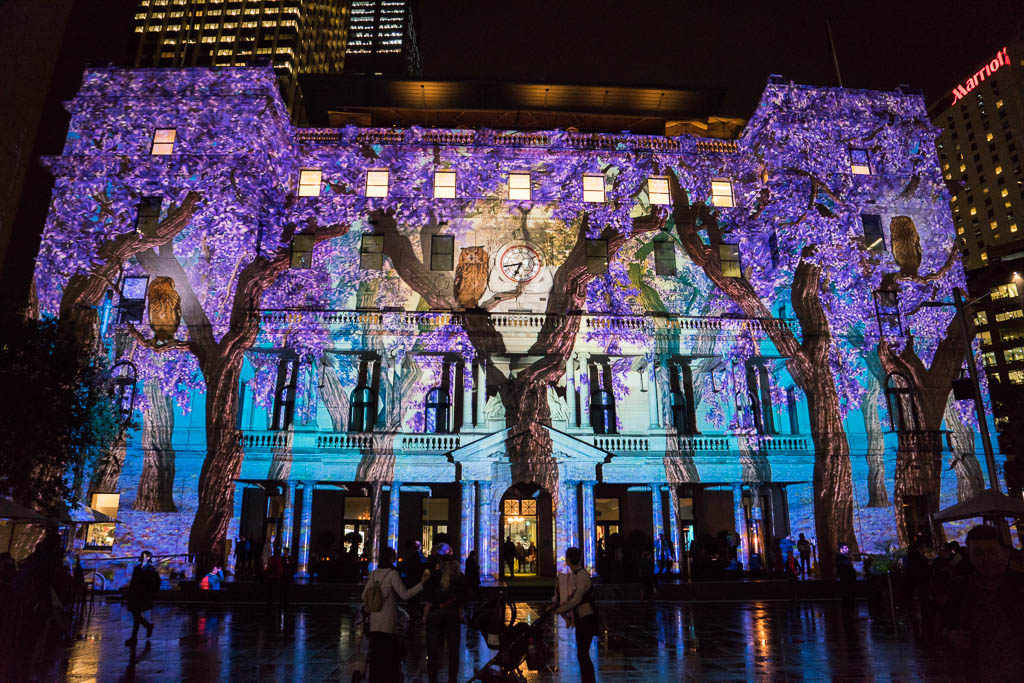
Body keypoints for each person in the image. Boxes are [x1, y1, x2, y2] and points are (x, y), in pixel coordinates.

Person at [941, 524, 1024, 680]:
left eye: (992, 552)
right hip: (978, 673)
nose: (987, 559)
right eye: (979, 554)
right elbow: (942, 625)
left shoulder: (1019, 586)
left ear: (1005, 552)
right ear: (969, 556)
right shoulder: (961, 590)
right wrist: (949, 635)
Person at [362, 547, 431, 683]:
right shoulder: (392, 574)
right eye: (394, 556)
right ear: (390, 558)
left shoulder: (374, 574)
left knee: (376, 654)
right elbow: (404, 594)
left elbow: (364, 595)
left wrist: (375, 598)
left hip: (374, 621)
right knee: (389, 655)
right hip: (388, 621)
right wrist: (421, 584)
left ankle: (375, 679)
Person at [553, 547, 598, 683]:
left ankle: (589, 681)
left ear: (568, 560)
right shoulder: (577, 575)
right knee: (582, 654)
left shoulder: (581, 576)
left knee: (583, 654)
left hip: (586, 618)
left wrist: (560, 609)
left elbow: (576, 600)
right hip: (582, 618)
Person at [423, 543, 465, 683]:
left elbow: (428, 593)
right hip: (452, 614)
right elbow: (463, 595)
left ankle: (433, 678)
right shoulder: (457, 575)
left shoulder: (433, 574)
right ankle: (452, 679)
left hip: (435, 613)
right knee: (453, 651)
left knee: (433, 650)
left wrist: (434, 605)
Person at [125, 551, 161, 647]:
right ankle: (146, 627)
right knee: (136, 615)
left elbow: (155, 583)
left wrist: (151, 593)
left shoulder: (150, 570)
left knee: (136, 615)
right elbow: (133, 582)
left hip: (143, 595)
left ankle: (135, 636)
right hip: (137, 594)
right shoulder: (139, 568)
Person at [835, 542, 857, 621]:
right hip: (846, 581)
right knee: (848, 599)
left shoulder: (843, 557)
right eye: (845, 548)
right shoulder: (841, 558)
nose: (847, 549)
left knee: (848, 599)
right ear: (841, 549)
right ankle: (848, 616)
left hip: (846, 581)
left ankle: (848, 615)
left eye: (847, 548)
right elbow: (847, 569)